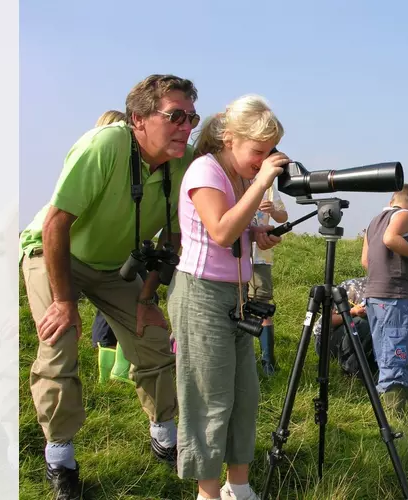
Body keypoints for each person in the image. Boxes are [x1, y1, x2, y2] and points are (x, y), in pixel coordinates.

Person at [19, 74, 200, 500]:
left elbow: (171, 239)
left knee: (153, 335)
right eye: (175, 116)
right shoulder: (106, 145)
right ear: (138, 118)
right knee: (58, 339)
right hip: (55, 253)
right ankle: (60, 457)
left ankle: (164, 435)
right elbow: (56, 223)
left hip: (112, 265)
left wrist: (145, 297)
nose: (186, 126)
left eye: (191, 117)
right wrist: (64, 301)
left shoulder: (185, 162)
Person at [166, 97, 288, 500]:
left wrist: (257, 234)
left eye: (270, 152)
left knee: (244, 396)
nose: (264, 160)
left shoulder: (239, 175)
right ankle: (208, 492)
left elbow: (236, 231)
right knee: (209, 399)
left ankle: (239, 485)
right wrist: (258, 184)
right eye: (259, 151)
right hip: (200, 294)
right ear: (230, 138)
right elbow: (219, 231)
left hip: (236, 296)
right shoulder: (206, 170)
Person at [361, 184, 408, 415]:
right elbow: (391, 239)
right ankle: (397, 413)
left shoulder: (374, 221)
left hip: (374, 294)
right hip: (394, 296)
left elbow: (366, 261)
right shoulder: (404, 214)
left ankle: (385, 407)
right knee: (398, 351)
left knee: (384, 351)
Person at [87, 109, 139, 385]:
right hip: (110, 248)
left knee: (108, 307)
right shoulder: (106, 163)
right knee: (121, 304)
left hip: (109, 246)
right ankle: (115, 370)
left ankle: (110, 373)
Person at [249, 185, 287, 376]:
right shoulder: (233, 176)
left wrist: (272, 210)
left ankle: (267, 363)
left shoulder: (269, 186)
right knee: (235, 304)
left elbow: (283, 217)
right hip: (235, 256)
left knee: (263, 306)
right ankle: (245, 359)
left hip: (261, 257)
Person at [312, 276, 378, 379]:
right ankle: (350, 368)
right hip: (327, 341)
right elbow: (327, 321)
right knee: (363, 323)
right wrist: (353, 312)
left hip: (362, 341)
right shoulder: (352, 286)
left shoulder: (395, 292)